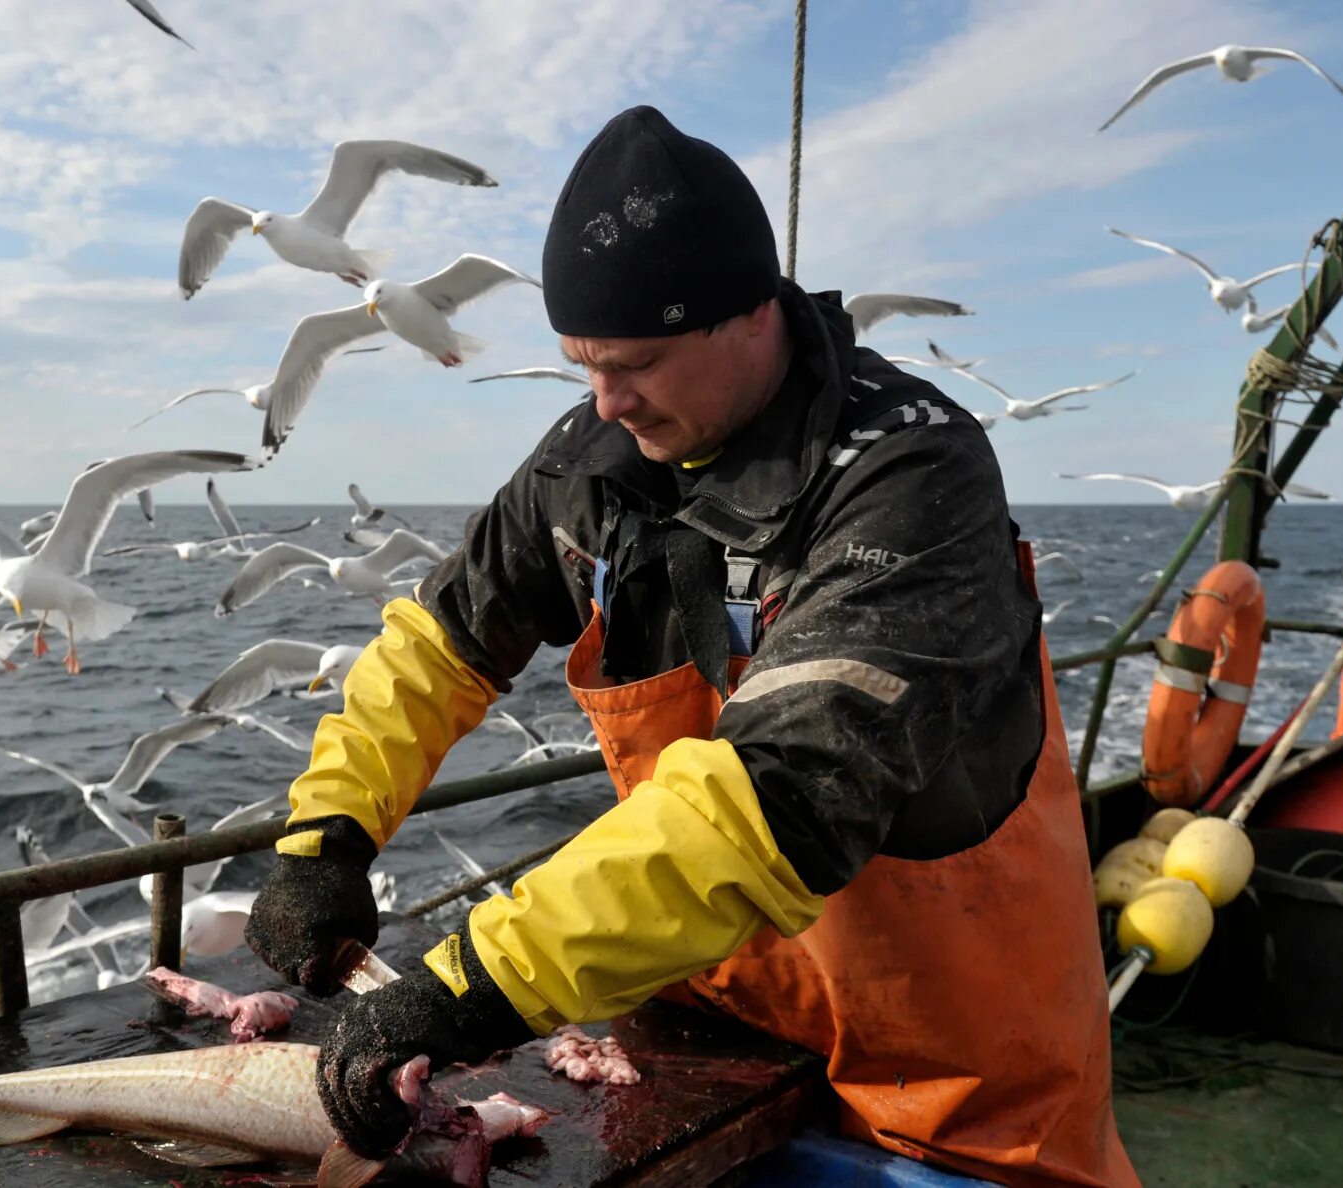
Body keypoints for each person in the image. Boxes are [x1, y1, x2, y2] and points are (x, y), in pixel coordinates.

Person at [244, 105, 1136, 1188]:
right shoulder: (597, 462)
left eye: (639, 363)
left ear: (752, 313)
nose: (608, 403)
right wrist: (329, 833)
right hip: (703, 1039)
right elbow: (443, 643)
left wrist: (474, 982)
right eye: (583, 366)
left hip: (949, 1090)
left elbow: (783, 792)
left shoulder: (910, 476)